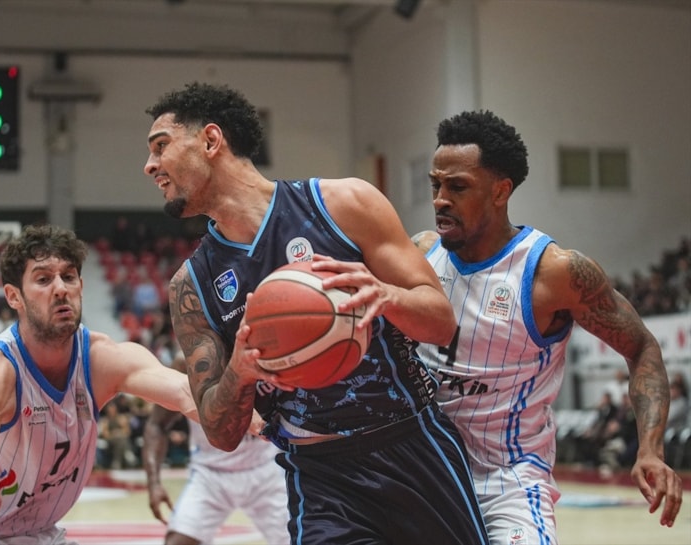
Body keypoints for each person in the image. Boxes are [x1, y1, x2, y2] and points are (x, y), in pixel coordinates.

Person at [143, 81, 489, 545]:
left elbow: (442, 324)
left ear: (210, 140)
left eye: (160, 146)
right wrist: (240, 372)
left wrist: (385, 295)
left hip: (413, 445)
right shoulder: (192, 286)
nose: (150, 166)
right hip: (320, 476)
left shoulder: (342, 204)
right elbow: (221, 433)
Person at [412, 110, 683, 544]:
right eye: (435, 185)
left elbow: (642, 347)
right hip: (421, 473)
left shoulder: (555, 273)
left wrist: (650, 449)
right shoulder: (419, 256)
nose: (440, 200)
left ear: (500, 191)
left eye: (457, 187)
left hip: (507, 480)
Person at [0, 224, 199, 545]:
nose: (60, 289)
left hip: (33, 536)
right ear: (14, 296)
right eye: (43, 279)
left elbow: (189, 393)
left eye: (68, 277)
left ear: (81, 286)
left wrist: (238, 398)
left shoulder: (102, 359)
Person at [143, 355, 289, 545]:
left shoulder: (271, 353)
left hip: (265, 469)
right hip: (210, 474)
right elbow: (156, 424)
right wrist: (154, 483)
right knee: (178, 542)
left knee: (302, 538)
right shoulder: (187, 363)